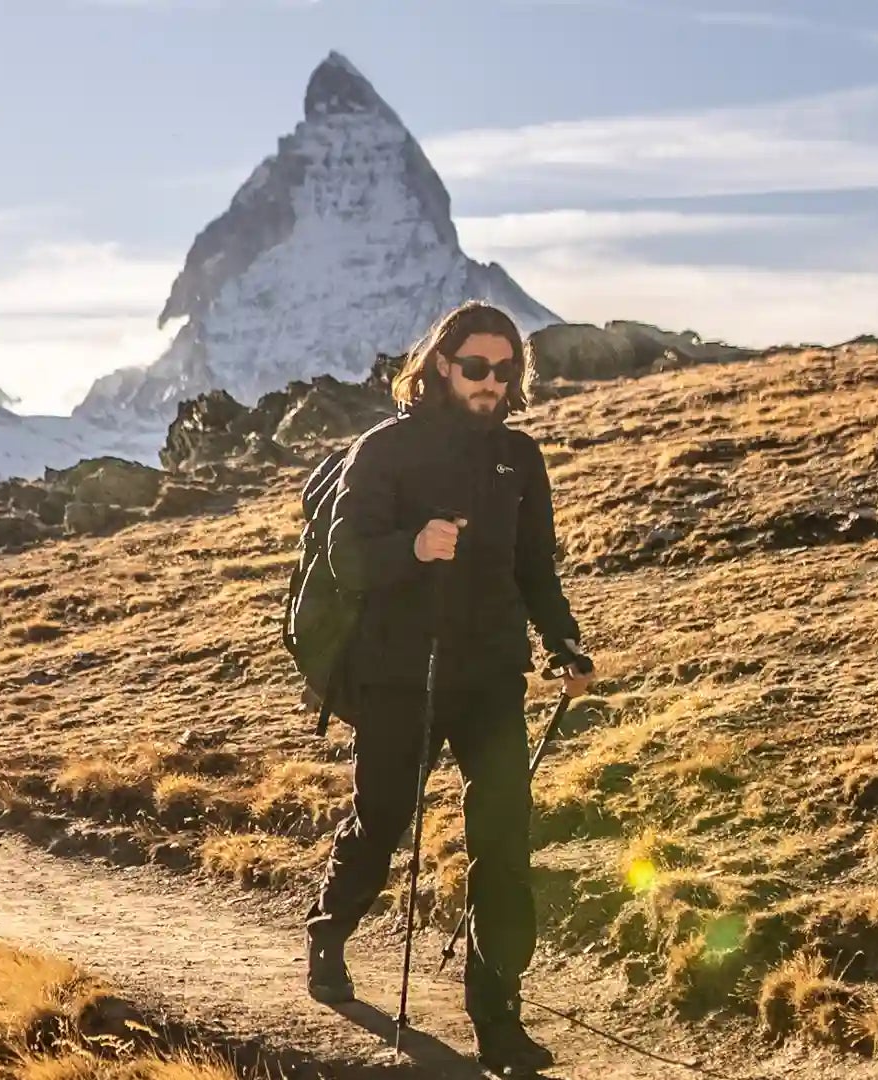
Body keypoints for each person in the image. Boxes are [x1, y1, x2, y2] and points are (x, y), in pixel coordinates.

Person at [302, 301, 594, 1074]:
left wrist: (564, 642)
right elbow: (347, 560)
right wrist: (414, 545)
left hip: (494, 674)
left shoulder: (520, 459)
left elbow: (535, 568)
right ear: (439, 365)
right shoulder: (384, 451)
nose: (491, 383)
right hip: (402, 673)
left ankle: (498, 1023)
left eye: (505, 371)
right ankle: (328, 931)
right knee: (385, 815)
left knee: (503, 839)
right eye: (476, 368)